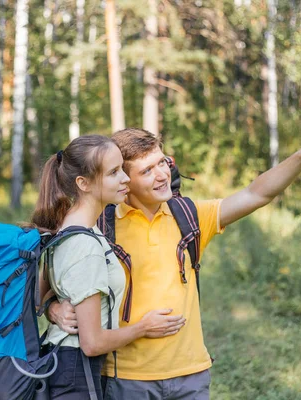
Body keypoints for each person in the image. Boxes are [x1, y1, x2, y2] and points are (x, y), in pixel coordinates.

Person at [47, 119, 301, 399]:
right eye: (147, 170)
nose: (162, 174)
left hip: (191, 374)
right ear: (125, 180)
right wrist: (52, 308)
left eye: (162, 162)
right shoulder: (100, 224)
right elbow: (54, 280)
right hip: (125, 378)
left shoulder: (189, 216)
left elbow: (257, 193)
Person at [32, 134, 186, 400]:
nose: (125, 179)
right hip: (75, 372)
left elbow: (39, 296)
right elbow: (92, 343)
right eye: (114, 173)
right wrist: (144, 328)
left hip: (64, 364)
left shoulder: (72, 227)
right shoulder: (84, 245)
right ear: (84, 183)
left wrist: (52, 308)